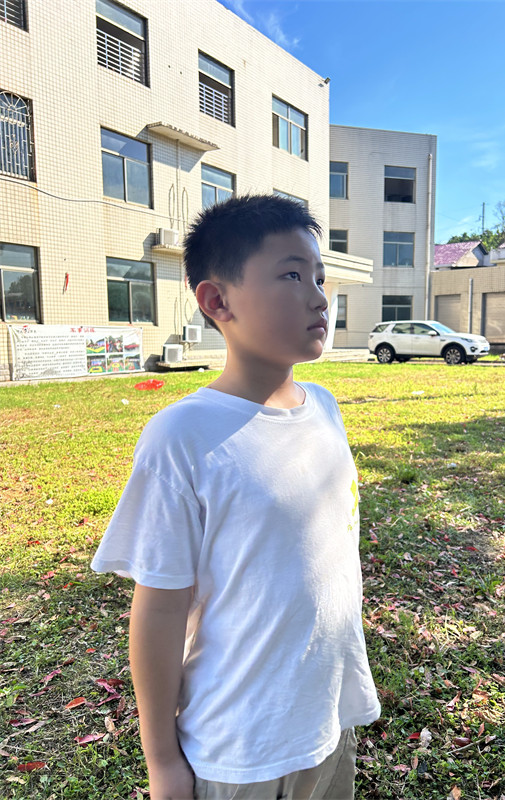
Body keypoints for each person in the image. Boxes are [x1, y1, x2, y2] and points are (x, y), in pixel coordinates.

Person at [91, 194, 380, 800]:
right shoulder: (182, 436)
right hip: (240, 749)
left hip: (328, 723)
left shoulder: (324, 408)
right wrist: (162, 762)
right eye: (292, 275)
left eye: (320, 277)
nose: (320, 298)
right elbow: (159, 610)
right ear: (217, 301)